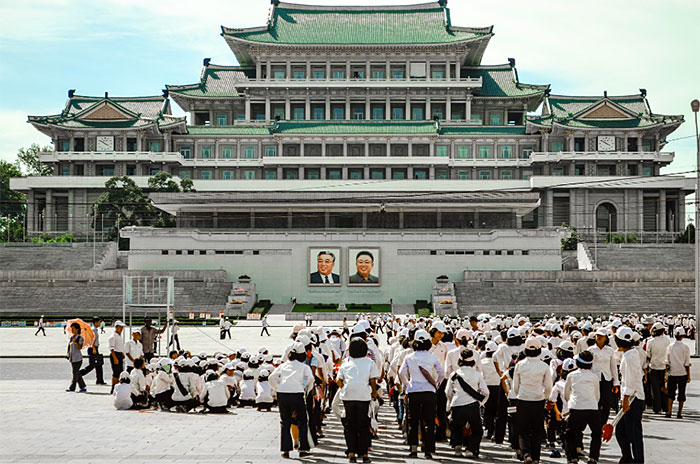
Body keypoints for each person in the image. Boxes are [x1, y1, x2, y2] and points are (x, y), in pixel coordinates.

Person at [398, 329, 444, 459]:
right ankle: (428, 450)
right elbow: (442, 373)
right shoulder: (432, 357)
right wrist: (436, 384)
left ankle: (413, 449)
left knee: (413, 422)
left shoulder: (409, 357)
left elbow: (401, 373)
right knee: (429, 421)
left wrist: (408, 385)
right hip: (429, 391)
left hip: (414, 391)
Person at [336, 337, 380, 463]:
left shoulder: (346, 362)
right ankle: (364, 454)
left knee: (350, 425)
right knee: (363, 425)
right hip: (363, 396)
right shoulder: (369, 362)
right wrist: (374, 393)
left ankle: (351, 453)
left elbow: (338, 380)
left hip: (348, 396)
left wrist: (345, 388)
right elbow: (372, 380)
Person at [269, 341, 314, 459]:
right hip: (297, 393)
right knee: (302, 421)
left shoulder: (283, 366)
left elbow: (271, 377)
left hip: (283, 394)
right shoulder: (304, 367)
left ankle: (285, 449)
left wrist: (277, 387)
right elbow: (310, 379)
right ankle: (303, 447)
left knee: (285, 422)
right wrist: (305, 388)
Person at [512, 337, 552, 464]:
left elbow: (515, 386)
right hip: (538, 400)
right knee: (537, 430)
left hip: (523, 399)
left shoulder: (519, 365)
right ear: (539, 351)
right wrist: (545, 397)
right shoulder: (544, 366)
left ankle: (526, 454)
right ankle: (536, 458)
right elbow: (548, 386)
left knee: (523, 430)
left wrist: (520, 394)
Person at [445, 349, 489, 458]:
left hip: (457, 403)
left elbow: (447, 392)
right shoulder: (477, 374)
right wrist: (480, 403)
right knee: (477, 429)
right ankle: (470, 449)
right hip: (472, 405)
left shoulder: (454, 374)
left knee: (456, 427)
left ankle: (457, 446)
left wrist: (451, 402)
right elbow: (486, 392)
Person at [564, 350, 601, 464]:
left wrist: (571, 402)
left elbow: (566, 394)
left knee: (570, 433)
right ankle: (593, 457)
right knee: (596, 433)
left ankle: (573, 457)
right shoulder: (594, 377)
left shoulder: (571, 375)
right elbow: (597, 395)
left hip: (576, 407)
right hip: (592, 407)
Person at [615, 326, 645, 464]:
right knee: (622, 430)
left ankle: (637, 460)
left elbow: (630, 380)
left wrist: (625, 399)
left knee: (633, 433)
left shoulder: (629, 357)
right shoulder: (631, 354)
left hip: (633, 398)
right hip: (632, 396)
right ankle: (627, 457)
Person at [665, 326, 691, 418]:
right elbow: (687, 363)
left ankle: (669, 411)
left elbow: (667, 362)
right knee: (681, 393)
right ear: (683, 336)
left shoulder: (670, 347)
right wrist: (688, 375)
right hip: (682, 372)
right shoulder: (685, 347)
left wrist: (666, 374)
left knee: (670, 393)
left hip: (672, 372)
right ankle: (679, 413)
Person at [646, 322, 670, 414]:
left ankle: (657, 407)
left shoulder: (650, 341)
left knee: (655, 388)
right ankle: (665, 406)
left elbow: (648, 354)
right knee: (663, 387)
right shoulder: (667, 340)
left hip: (654, 366)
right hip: (664, 366)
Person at [80, 316, 105, 385]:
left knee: (98, 365)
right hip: (93, 349)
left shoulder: (95, 329)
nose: (100, 323)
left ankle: (100, 380)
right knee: (93, 365)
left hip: (94, 348)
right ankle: (79, 374)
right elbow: (91, 339)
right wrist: (93, 348)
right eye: (99, 322)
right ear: (95, 322)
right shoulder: (93, 330)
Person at [66, 322, 87, 392]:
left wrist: (75, 342)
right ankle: (83, 386)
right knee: (77, 373)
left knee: (75, 374)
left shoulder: (80, 338)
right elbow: (69, 347)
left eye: (73, 328)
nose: (72, 330)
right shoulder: (72, 338)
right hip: (72, 358)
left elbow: (80, 347)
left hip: (78, 359)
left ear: (77, 329)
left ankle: (72, 387)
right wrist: (68, 354)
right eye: (71, 328)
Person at [108, 321, 127, 395]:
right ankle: (113, 388)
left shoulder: (119, 336)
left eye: (122, 327)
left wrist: (122, 353)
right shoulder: (113, 336)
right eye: (120, 327)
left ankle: (118, 388)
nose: (121, 328)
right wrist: (115, 358)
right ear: (116, 327)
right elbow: (111, 348)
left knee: (120, 372)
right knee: (116, 373)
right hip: (115, 354)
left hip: (119, 353)